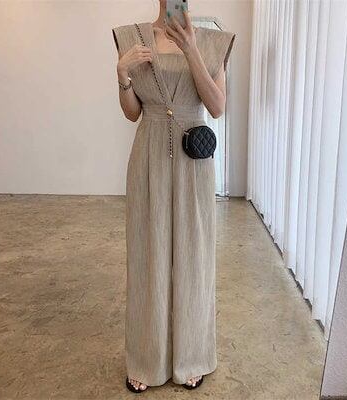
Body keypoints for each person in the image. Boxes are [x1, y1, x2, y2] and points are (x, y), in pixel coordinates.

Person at [112, 0, 235, 393]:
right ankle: (147, 358)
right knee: (147, 254)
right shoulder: (132, 38)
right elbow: (132, 113)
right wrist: (122, 74)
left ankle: (191, 355)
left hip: (193, 164)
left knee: (192, 256)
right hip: (148, 157)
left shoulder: (212, 42)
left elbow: (216, 106)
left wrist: (192, 49)